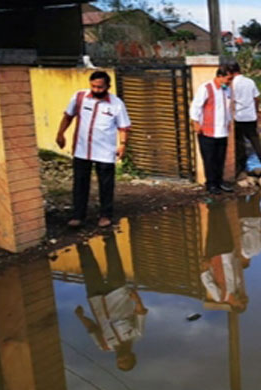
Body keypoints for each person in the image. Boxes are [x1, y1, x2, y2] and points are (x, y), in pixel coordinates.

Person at [56, 70, 131, 228]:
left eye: (100, 87)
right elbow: (68, 116)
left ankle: (105, 215)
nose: (96, 90)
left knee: (106, 184)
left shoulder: (116, 104)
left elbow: (124, 127)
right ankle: (78, 215)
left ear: (107, 86)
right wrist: (60, 134)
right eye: (94, 86)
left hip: (105, 151)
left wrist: (122, 145)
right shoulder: (79, 97)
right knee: (80, 183)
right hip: (82, 149)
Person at [74, 234, 147, 371]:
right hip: (117, 293)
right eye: (125, 360)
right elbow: (140, 313)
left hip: (97, 299)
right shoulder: (137, 334)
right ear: (132, 356)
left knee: (89, 269)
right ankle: (108, 235)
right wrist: (136, 299)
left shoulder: (104, 346)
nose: (120, 359)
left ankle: (81, 242)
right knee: (114, 263)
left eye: (119, 362)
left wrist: (81, 316)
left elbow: (93, 329)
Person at [190, 66, 234, 195]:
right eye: (228, 79)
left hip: (222, 129)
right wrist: (195, 122)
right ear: (220, 76)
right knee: (209, 158)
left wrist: (229, 121)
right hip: (207, 130)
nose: (229, 82)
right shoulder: (206, 88)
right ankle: (211, 184)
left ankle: (219, 182)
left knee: (220, 158)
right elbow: (196, 106)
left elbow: (228, 107)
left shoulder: (227, 90)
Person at [229, 62, 261, 175]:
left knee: (239, 141)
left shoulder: (231, 84)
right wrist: (255, 110)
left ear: (231, 72)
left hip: (237, 116)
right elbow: (256, 98)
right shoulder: (250, 81)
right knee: (254, 137)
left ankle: (241, 163)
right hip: (250, 115)